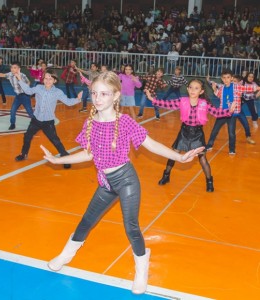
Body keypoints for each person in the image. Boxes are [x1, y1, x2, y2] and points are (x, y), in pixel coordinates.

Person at [40, 71, 204, 295]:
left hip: (126, 180)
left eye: (104, 94)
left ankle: (141, 269)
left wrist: (179, 156)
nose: (98, 98)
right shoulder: (91, 122)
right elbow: (87, 154)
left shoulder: (124, 122)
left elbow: (150, 143)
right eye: (95, 93)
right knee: (86, 221)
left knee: (131, 227)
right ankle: (66, 255)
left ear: (116, 96)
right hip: (105, 182)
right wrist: (58, 160)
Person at [147, 79, 235, 192]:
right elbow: (166, 104)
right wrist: (152, 99)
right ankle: (166, 175)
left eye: (196, 88)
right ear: (187, 89)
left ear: (201, 91)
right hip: (184, 132)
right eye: (191, 87)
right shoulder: (182, 100)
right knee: (173, 154)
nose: (193, 90)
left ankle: (209, 181)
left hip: (198, 133)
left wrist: (229, 111)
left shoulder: (205, 103)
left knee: (202, 159)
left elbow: (217, 112)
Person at [14, 69, 82, 166]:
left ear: (55, 80)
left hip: (48, 122)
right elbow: (28, 91)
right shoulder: (38, 88)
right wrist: (19, 78)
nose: (48, 80)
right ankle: (24, 154)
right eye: (46, 78)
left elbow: (68, 102)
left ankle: (65, 158)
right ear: (43, 79)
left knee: (55, 140)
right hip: (36, 120)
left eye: (50, 79)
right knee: (27, 136)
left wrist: (78, 99)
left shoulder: (57, 92)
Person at [206, 69, 260, 154]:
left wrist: (257, 87)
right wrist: (214, 90)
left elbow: (247, 88)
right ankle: (209, 145)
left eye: (228, 77)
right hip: (222, 113)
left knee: (231, 133)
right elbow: (219, 96)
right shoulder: (222, 88)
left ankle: (231, 149)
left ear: (231, 78)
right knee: (214, 130)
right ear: (222, 79)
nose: (226, 79)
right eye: (224, 78)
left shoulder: (236, 86)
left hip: (232, 114)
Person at [0, 61, 34, 130]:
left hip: (25, 96)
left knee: (29, 112)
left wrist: (27, 86)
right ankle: (12, 124)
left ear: (18, 69)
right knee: (12, 111)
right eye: (11, 67)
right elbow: (2, 74)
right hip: (18, 96)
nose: (12, 69)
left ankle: (37, 124)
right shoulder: (10, 74)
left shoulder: (22, 75)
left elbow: (28, 82)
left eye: (14, 68)